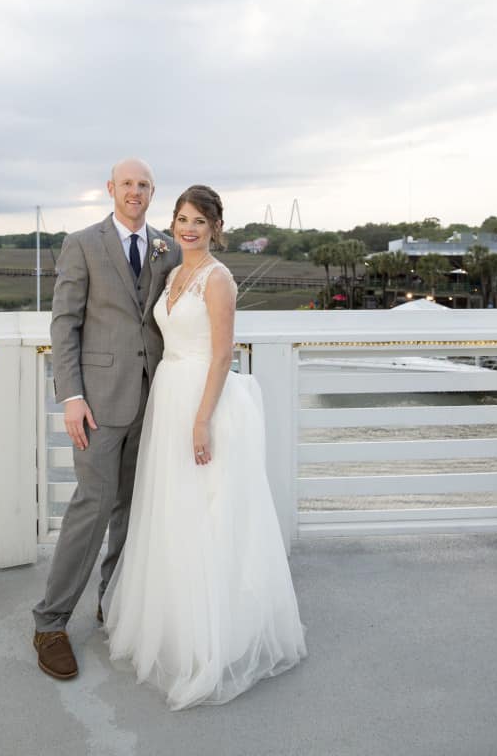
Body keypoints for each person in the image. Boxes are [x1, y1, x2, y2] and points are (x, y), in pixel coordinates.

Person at [103, 185, 307, 709]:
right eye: (182, 219)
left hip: (201, 403)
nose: (188, 228)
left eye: (199, 221)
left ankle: (212, 639)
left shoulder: (218, 280)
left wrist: (202, 421)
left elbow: (222, 357)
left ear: (216, 227)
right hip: (168, 398)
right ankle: (173, 625)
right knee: (171, 513)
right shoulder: (173, 273)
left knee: (206, 517)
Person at [32, 158, 180, 680]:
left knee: (133, 507)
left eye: (144, 185)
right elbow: (64, 323)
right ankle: (50, 622)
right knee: (92, 506)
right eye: (127, 184)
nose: (135, 192)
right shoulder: (83, 243)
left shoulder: (170, 246)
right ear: (110, 189)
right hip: (96, 401)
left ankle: (113, 602)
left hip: (156, 399)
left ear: (152, 192)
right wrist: (71, 395)